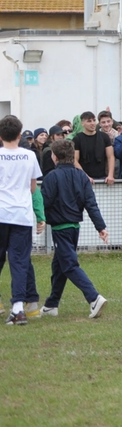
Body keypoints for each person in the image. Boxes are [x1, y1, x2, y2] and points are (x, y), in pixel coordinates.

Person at [37, 139, 108, 319]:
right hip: (74, 228)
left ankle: (94, 298)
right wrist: (101, 227)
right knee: (59, 265)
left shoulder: (51, 177)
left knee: (68, 265)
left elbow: (44, 201)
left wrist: (40, 217)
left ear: (54, 157)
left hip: (61, 228)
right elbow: (91, 204)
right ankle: (52, 304)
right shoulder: (81, 176)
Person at [0, 115, 42, 324]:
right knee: (19, 262)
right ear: (19, 135)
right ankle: (18, 308)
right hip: (21, 215)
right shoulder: (29, 156)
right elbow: (33, 187)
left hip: (1, 213)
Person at [72, 111, 114, 183]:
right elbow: (74, 160)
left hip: (102, 177)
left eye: (94, 120)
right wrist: (85, 176)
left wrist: (110, 175)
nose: (92, 123)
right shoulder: (77, 139)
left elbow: (110, 157)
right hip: (83, 178)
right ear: (82, 123)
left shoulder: (104, 137)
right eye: (89, 121)